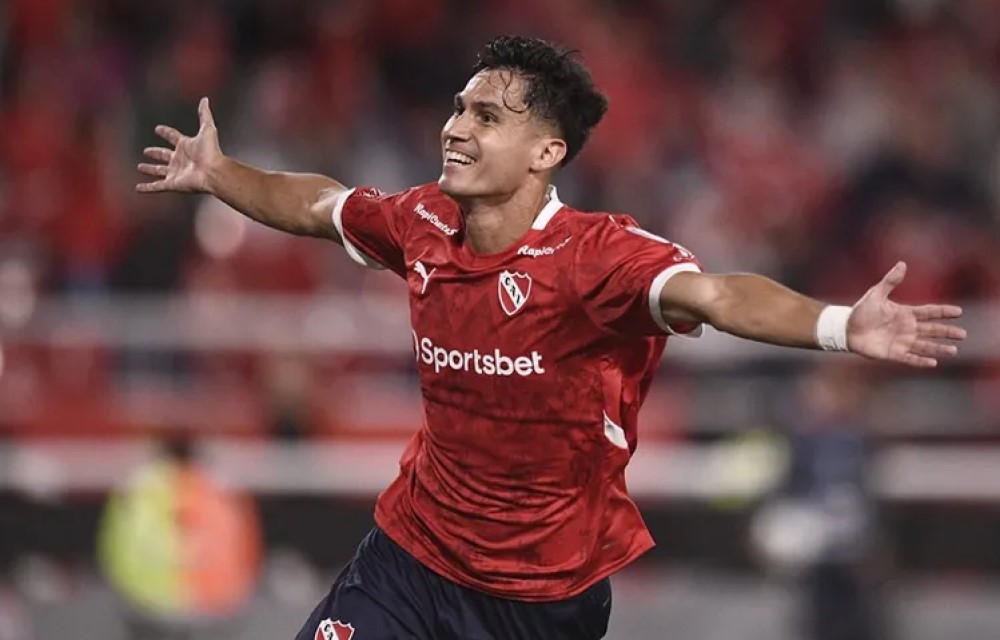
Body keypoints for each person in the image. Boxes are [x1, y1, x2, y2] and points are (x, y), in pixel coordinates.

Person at [137, 35, 965, 640]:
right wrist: (221, 174)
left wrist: (838, 326)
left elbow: (716, 296)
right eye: (458, 107)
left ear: (546, 152)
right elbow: (320, 206)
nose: (456, 127)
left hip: (539, 599)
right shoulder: (424, 220)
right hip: (410, 558)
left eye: (486, 115)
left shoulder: (596, 258)